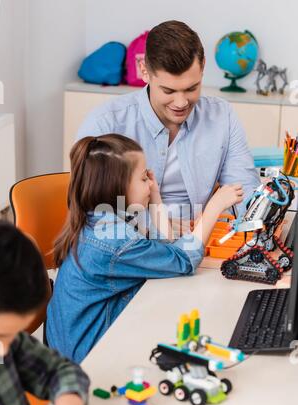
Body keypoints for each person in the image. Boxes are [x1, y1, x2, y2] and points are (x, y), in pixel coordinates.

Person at [46, 133, 243, 363]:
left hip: (73, 342)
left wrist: (155, 196)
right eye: (143, 178)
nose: (150, 182)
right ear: (117, 186)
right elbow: (183, 260)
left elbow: (165, 251)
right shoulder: (114, 240)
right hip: (87, 356)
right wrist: (214, 207)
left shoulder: (103, 219)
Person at [77, 20, 260, 229]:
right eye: (168, 91)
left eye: (192, 88)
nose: (181, 103)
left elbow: (245, 192)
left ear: (203, 68)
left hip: (200, 242)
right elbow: (90, 213)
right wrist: (156, 226)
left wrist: (217, 224)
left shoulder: (222, 116)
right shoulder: (106, 122)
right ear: (144, 71)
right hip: (130, 246)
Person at [0, 221, 93, 405]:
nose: (7, 347)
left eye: (14, 333)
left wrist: (68, 400)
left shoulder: (9, 342)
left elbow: (57, 369)